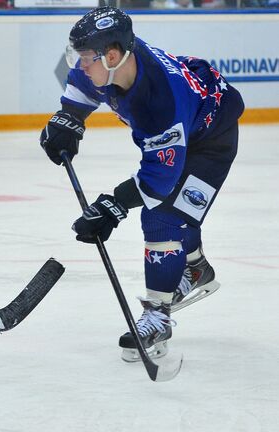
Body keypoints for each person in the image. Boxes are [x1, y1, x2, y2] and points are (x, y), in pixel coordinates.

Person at [39, 7, 244, 361]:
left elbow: (157, 180)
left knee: (162, 217)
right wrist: (69, 118)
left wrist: (112, 206)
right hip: (189, 120)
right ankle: (194, 267)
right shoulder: (112, 61)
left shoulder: (160, 101)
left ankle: (158, 316)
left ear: (113, 56)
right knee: (176, 215)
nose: (81, 64)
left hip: (211, 141)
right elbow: (82, 83)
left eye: (86, 57)